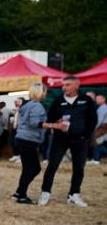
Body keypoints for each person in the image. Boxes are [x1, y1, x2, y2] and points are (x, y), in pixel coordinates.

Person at [39, 75, 96, 207]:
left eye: (68, 85)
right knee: (52, 165)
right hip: (60, 139)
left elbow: (92, 119)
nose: (64, 88)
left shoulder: (86, 100)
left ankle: (74, 195)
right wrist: (56, 122)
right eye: (63, 85)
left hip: (80, 139)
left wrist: (86, 136)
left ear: (77, 85)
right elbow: (50, 118)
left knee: (79, 168)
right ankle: (45, 192)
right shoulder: (58, 101)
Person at [12, 84, 59, 204]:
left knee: (28, 168)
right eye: (45, 92)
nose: (46, 94)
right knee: (34, 169)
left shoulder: (27, 104)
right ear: (40, 93)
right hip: (28, 140)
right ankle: (21, 194)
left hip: (22, 138)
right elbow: (35, 123)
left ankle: (19, 192)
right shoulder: (37, 106)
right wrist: (54, 126)